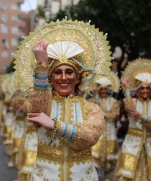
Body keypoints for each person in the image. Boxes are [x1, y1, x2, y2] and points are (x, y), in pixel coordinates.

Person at [13, 19, 112, 181]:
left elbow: (89, 138)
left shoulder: (91, 108)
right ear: (50, 78)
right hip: (45, 175)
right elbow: (37, 107)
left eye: (69, 72)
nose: (63, 77)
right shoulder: (43, 104)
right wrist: (42, 66)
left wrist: (54, 125)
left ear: (78, 78)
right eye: (57, 72)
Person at [114, 59, 151, 181]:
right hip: (132, 142)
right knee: (128, 173)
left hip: (149, 144)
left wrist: (141, 116)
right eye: (142, 88)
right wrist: (127, 89)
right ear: (138, 90)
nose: (145, 91)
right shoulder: (133, 102)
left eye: (147, 88)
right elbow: (130, 108)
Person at [90, 72, 120, 181]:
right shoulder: (95, 100)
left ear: (108, 90)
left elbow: (113, 115)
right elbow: (93, 111)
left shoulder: (114, 102)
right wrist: (94, 94)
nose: (103, 91)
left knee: (110, 156)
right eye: (101, 89)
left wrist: (103, 114)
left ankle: (107, 177)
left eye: (105, 89)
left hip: (110, 131)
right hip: (99, 132)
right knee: (95, 155)